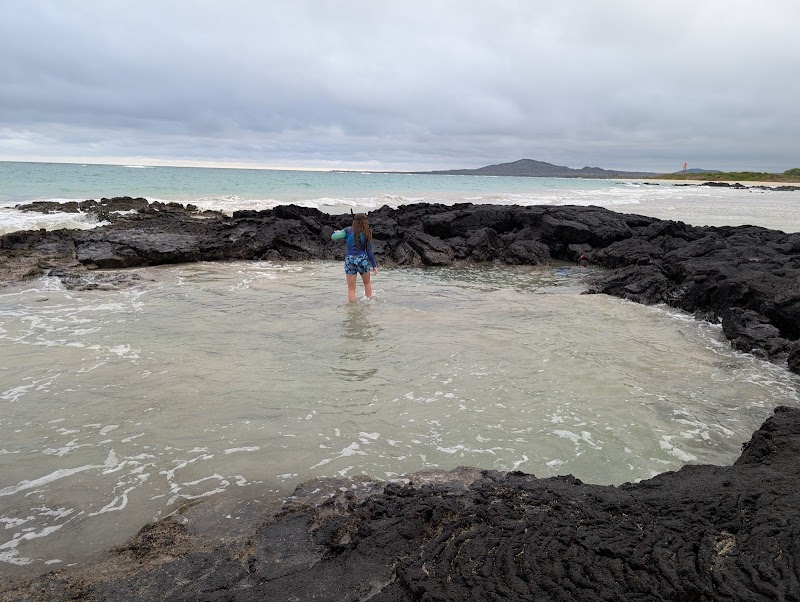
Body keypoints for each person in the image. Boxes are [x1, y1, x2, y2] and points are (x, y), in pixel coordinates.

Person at [331, 212, 378, 302]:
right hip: (362, 260)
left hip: (350, 260)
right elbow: (369, 251)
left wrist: (340, 232)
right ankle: (369, 303)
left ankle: (352, 308)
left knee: (351, 288)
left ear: (354, 221)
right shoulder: (367, 232)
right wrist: (374, 266)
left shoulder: (348, 230)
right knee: (367, 283)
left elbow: (333, 237)